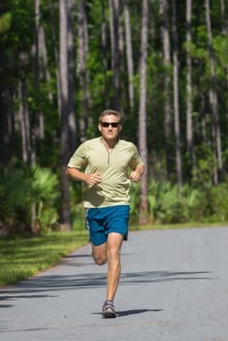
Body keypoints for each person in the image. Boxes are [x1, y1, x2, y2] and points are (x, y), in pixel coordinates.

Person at [66, 109, 145, 319]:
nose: (110, 127)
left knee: (114, 252)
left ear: (119, 127)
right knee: (100, 258)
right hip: (94, 208)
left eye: (114, 124)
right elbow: (70, 169)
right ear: (100, 126)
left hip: (119, 206)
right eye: (106, 124)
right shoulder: (88, 147)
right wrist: (85, 177)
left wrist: (138, 171)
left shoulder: (128, 147)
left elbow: (139, 163)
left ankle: (109, 302)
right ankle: (93, 238)